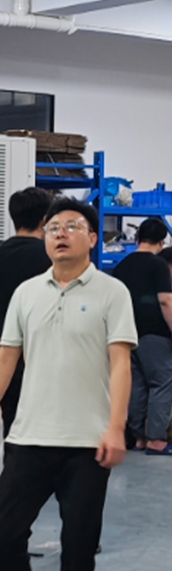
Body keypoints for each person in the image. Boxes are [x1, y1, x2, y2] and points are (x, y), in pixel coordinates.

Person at [0, 197, 137, 571]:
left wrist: (115, 426)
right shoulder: (26, 294)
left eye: (72, 226)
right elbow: (7, 358)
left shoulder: (112, 292)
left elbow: (121, 364)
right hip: (28, 436)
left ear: (92, 238)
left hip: (87, 442)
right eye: (53, 226)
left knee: (79, 542)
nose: (60, 233)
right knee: (5, 533)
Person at [112, 217, 172, 455]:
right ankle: (156, 440)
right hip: (155, 333)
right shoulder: (158, 265)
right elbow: (165, 300)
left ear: (137, 238)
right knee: (163, 382)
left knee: (136, 385)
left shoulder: (121, 266)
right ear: (162, 242)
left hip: (128, 333)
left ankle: (139, 438)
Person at [0, 187, 52, 437]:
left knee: (10, 423)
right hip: (39, 353)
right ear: (45, 220)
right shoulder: (52, 258)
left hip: (3, 352)